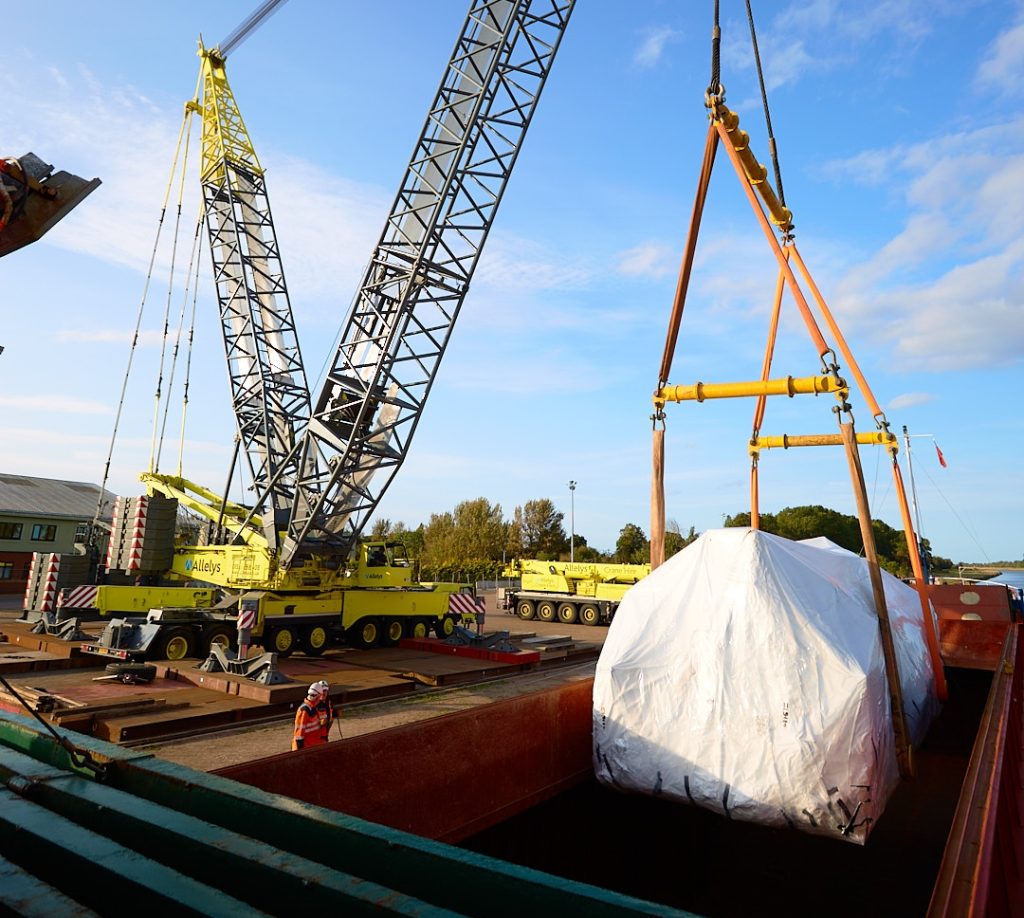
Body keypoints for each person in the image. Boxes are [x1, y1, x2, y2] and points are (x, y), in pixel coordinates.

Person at [291, 680, 335, 751]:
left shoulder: (312, 707)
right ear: (317, 697)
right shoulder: (305, 710)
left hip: (315, 745)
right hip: (307, 748)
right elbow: (299, 736)